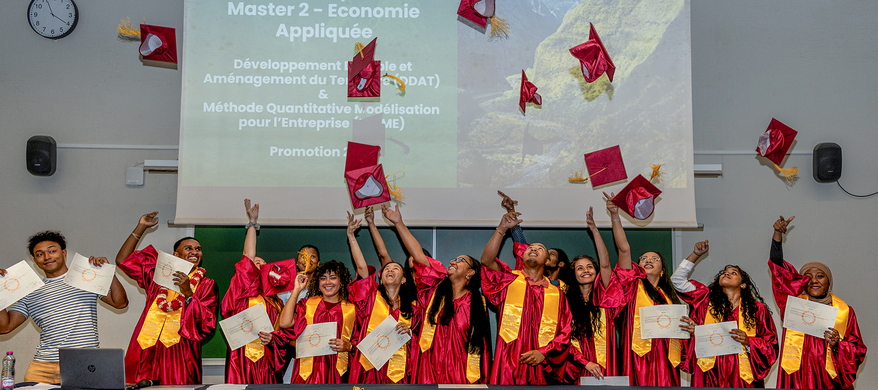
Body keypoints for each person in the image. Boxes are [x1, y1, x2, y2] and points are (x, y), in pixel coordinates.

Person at [381, 203, 491, 384]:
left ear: (470, 272)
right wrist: (399, 223)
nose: (454, 261)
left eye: (461, 260)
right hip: (429, 370)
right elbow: (417, 255)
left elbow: (483, 348)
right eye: (454, 259)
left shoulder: (477, 304)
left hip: (461, 374)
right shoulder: (434, 292)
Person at [0, 231, 128, 384]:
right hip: (41, 368)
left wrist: (108, 271)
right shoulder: (30, 291)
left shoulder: (85, 279)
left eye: (52, 251)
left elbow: (120, 303)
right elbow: (5, 327)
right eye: (40, 254)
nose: (47, 257)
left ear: (64, 253)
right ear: (35, 261)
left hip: (82, 364)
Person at [115, 213, 218, 385]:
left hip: (180, 353)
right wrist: (141, 226)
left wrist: (188, 294)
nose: (194, 252)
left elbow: (207, 322)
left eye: (198, 249)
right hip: (148, 348)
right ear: (176, 255)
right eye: (189, 248)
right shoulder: (159, 276)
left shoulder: (207, 284)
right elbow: (123, 260)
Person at [768, 216, 866, 389]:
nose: (814, 280)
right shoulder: (792, 304)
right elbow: (778, 269)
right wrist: (777, 235)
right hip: (796, 378)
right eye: (808, 276)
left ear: (829, 282)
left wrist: (838, 344)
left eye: (820, 276)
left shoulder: (844, 311)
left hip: (828, 378)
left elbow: (858, 349)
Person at [480, 209, 572, 385]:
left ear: (547, 261)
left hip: (541, 367)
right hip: (508, 363)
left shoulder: (557, 294)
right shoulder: (509, 280)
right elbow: (486, 260)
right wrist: (501, 229)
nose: (533, 249)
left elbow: (565, 332)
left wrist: (544, 352)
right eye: (530, 247)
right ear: (522, 255)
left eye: (540, 248)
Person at [602, 191, 684, 386]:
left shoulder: (669, 298)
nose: (648, 260)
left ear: (663, 271)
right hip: (636, 357)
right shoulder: (631, 286)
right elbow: (624, 249)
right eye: (643, 259)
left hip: (666, 358)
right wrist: (615, 216)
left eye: (654, 259)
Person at [672, 240, 778, 387]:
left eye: (733, 273)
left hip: (742, 376)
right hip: (708, 373)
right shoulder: (704, 300)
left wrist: (749, 342)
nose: (726, 274)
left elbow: (771, 345)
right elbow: (677, 281)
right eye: (724, 273)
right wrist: (695, 254)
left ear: (743, 284)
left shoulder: (757, 309)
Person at [222, 199, 294, 384]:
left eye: (263, 264)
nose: (258, 265)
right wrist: (252, 224)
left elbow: (284, 332)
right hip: (242, 357)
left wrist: (273, 339)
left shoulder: (276, 301)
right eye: (255, 263)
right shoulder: (242, 291)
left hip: (268, 358)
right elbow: (247, 256)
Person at [345, 209, 419, 383]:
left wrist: (410, 335)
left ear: (403, 280)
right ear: (381, 277)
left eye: (395, 268)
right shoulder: (371, 298)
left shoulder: (414, 307)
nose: (390, 269)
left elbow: (420, 341)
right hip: (369, 371)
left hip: (400, 372)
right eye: (386, 269)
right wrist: (351, 236)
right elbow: (362, 268)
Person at [562, 206, 617, 382]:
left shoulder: (604, 297)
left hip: (606, 364)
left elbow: (606, 264)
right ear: (573, 274)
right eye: (580, 268)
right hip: (575, 365)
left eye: (589, 267)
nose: (585, 271)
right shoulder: (564, 301)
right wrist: (584, 362)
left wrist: (594, 229)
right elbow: (560, 337)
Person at [279, 259, 356, 383]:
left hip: (337, 372)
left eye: (332, 278)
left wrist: (349, 346)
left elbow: (359, 341)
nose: (327, 282)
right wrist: (297, 290)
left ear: (341, 281)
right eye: (323, 278)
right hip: (307, 371)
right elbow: (284, 323)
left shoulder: (352, 309)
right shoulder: (308, 304)